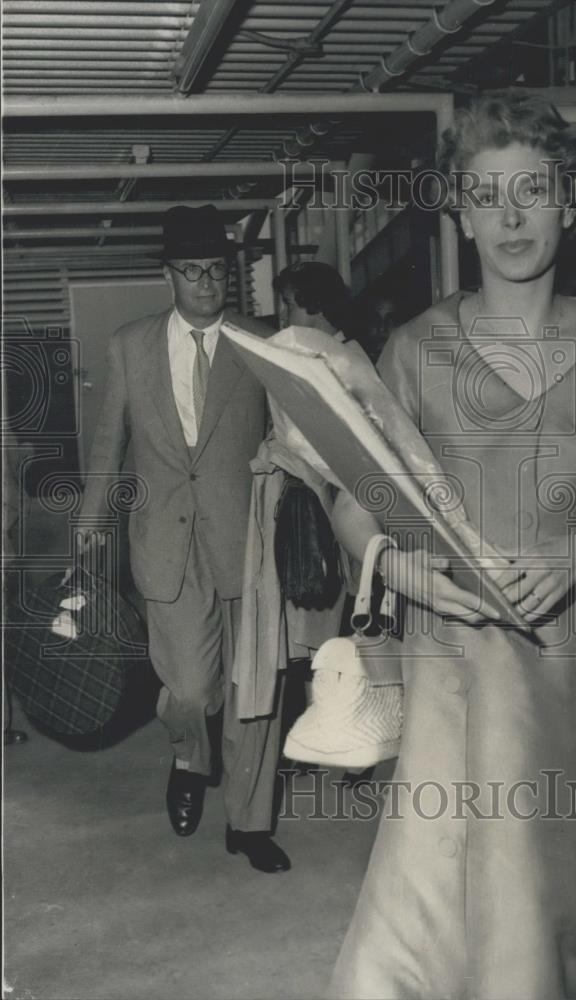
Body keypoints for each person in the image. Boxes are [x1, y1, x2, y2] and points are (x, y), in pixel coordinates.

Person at [328, 92, 576, 997]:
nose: (513, 216)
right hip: (457, 676)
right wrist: (401, 567)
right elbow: (355, 502)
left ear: (569, 202)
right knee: (456, 919)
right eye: (489, 195)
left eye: (535, 190)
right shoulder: (415, 352)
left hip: (571, 672)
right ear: (463, 216)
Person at [78, 204, 290, 873]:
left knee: (254, 685)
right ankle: (189, 757)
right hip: (165, 544)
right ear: (168, 276)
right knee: (192, 689)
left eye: (215, 270)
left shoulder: (261, 343)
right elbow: (109, 440)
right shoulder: (130, 345)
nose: (205, 282)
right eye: (191, 271)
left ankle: (250, 825)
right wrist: (90, 520)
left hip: (250, 539)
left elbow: (288, 434)